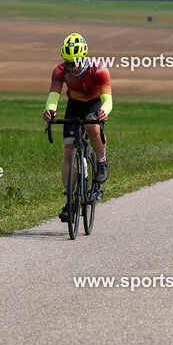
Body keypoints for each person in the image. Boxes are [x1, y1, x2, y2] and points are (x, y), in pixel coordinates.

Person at [42, 33, 112, 222]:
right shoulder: (60, 70)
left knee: (93, 128)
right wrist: (49, 110)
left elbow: (107, 99)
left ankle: (101, 160)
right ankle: (69, 200)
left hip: (94, 104)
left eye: (77, 62)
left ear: (85, 57)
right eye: (69, 63)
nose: (73, 67)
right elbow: (53, 95)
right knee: (68, 151)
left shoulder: (99, 69)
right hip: (74, 105)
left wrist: (104, 111)